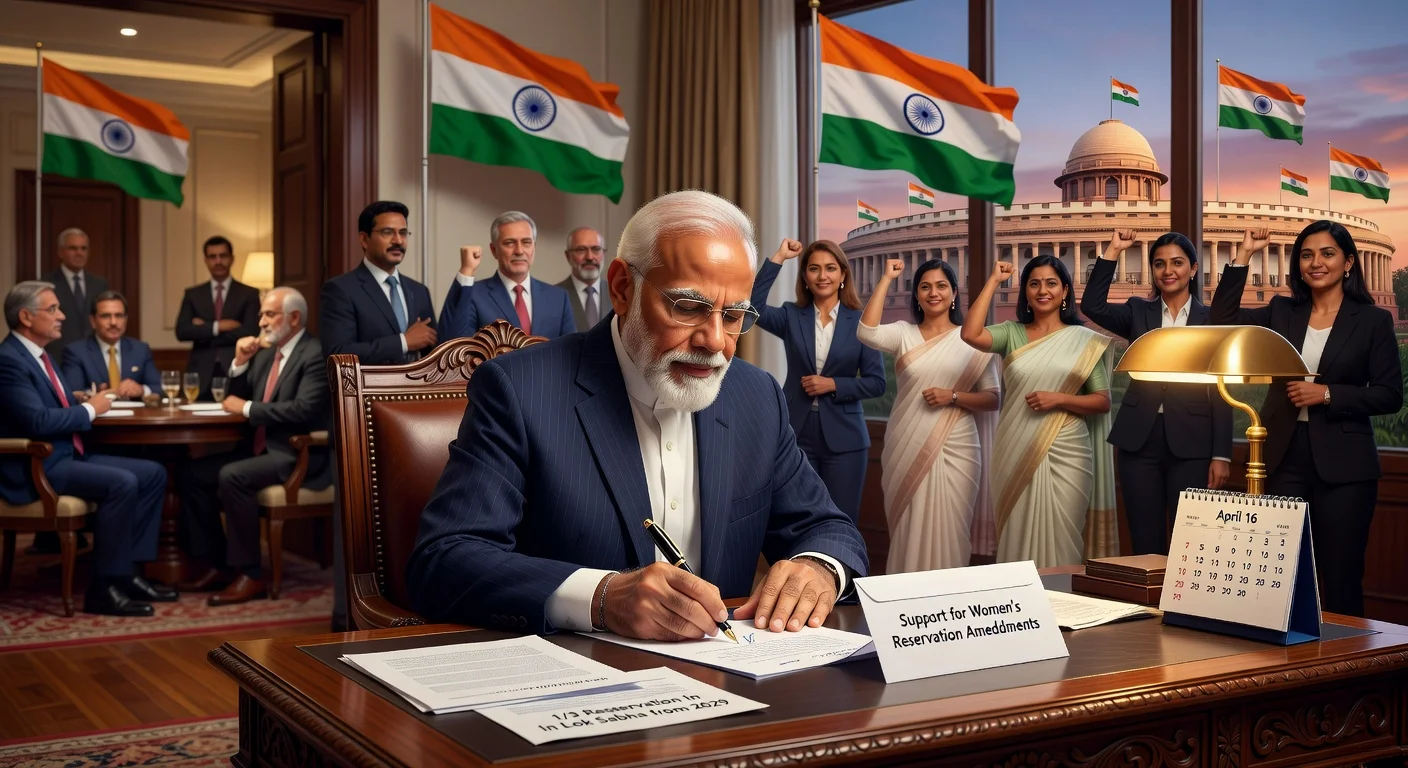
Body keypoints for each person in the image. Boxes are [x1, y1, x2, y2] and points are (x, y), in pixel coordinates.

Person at [408, 190, 868, 640]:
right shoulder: (518, 389)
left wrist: (818, 568)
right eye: (689, 307)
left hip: (730, 682)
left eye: (733, 317)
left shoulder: (757, 396)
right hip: (574, 686)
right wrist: (601, 597)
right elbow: (445, 559)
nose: (714, 341)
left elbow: (827, 528)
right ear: (623, 287)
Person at [1212, 222, 1402, 617]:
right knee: (1279, 575)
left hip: (1346, 466)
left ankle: (1347, 664)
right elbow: (1223, 319)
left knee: (1341, 575)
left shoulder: (1372, 320)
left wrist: (1328, 394)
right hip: (1282, 456)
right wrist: (1244, 254)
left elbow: (1389, 394)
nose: (1316, 263)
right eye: (1307, 254)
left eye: (1327, 253)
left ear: (1349, 262)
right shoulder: (1282, 311)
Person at [0, 281, 171, 616]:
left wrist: (73, 400)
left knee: (153, 473)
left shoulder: (38, 354)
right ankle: (103, 589)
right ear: (26, 316)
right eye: (52, 310)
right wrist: (91, 408)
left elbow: (43, 408)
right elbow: (36, 422)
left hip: (65, 455)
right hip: (36, 466)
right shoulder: (9, 360)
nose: (62, 316)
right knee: (122, 482)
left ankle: (129, 573)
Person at [1080, 230, 1232, 555]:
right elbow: (1091, 305)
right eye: (1159, 264)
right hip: (1139, 441)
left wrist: (1221, 454)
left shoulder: (1212, 320)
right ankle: (1148, 607)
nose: (1168, 271)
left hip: (1193, 444)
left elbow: (1221, 389)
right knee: (1144, 541)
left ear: (1193, 269)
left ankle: (1183, 608)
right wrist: (1113, 250)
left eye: (1177, 263)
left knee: (1189, 544)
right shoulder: (1138, 311)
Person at [960, 255, 1118, 567]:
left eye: (1050, 283)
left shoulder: (1084, 340)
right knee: (1017, 534)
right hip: (1014, 450)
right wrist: (993, 281)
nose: (1042, 290)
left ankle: (1063, 608)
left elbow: (1102, 401)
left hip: (1069, 451)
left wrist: (1058, 399)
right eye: (1034, 284)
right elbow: (970, 334)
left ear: (1065, 291)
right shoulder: (1011, 333)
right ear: (1026, 293)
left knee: (1064, 535)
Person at [179, 287, 330, 606]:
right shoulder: (264, 354)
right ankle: (218, 564)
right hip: (259, 449)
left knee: (233, 475)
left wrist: (248, 408)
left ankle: (251, 573)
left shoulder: (314, 353)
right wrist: (239, 363)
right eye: (261, 314)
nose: (260, 321)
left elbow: (304, 409)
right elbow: (233, 397)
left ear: (294, 318)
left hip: (294, 454)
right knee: (192, 474)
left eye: (268, 314)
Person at [858, 258, 1000, 572]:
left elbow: (993, 398)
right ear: (917, 296)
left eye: (941, 286)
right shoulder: (903, 334)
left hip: (958, 445)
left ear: (953, 295)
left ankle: (949, 604)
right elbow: (866, 332)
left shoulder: (973, 339)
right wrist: (886, 278)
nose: (932, 293)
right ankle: (905, 605)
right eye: (924, 286)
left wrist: (952, 396)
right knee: (908, 527)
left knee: (952, 527)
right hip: (906, 442)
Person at [750, 238, 885, 524]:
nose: (822, 276)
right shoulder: (790, 316)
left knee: (842, 518)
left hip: (846, 438)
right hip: (796, 432)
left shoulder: (861, 322)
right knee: (797, 516)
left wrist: (834, 385)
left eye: (830, 268)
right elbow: (753, 306)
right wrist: (778, 257)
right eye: (814, 269)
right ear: (805, 278)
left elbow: (877, 383)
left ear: (843, 276)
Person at [320, 201, 438, 364]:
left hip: (417, 388)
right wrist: (403, 342)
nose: (398, 241)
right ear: (364, 239)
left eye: (403, 233)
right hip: (369, 389)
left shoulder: (419, 291)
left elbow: (434, 350)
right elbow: (338, 353)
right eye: (387, 232)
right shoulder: (340, 290)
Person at [438, 211, 576, 341]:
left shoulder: (558, 298)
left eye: (526, 242)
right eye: (510, 243)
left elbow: (571, 353)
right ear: (494, 250)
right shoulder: (475, 294)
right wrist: (466, 270)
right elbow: (453, 346)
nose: (519, 251)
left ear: (534, 247)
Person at [174, 236, 261, 398]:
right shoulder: (193, 294)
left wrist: (202, 329)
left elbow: (251, 331)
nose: (218, 261)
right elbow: (182, 331)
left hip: (236, 368)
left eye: (223, 256)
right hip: (200, 371)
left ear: (232, 258)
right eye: (212, 257)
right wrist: (217, 326)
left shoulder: (249, 294)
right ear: (205, 260)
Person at [60, 290, 162, 399]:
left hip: (135, 414)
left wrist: (142, 390)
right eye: (105, 316)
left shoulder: (140, 349)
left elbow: (160, 388)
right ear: (93, 321)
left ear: (126, 319)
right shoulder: (76, 352)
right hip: (97, 415)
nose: (113, 322)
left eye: (119, 315)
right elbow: (72, 393)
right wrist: (95, 394)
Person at [42, 228, 108, 365]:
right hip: (58, 358)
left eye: (83, 248)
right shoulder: (46, 284)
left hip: (93, 360)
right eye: (73, 248)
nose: (79, 253)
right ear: (60, 252)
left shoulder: (99, 284)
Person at [557, 227, 608, 331]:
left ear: (603, 253)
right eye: (581, 250)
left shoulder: (619, 293)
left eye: (596, 249)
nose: (589, 257)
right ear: (568, 256)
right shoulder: (554, 296)